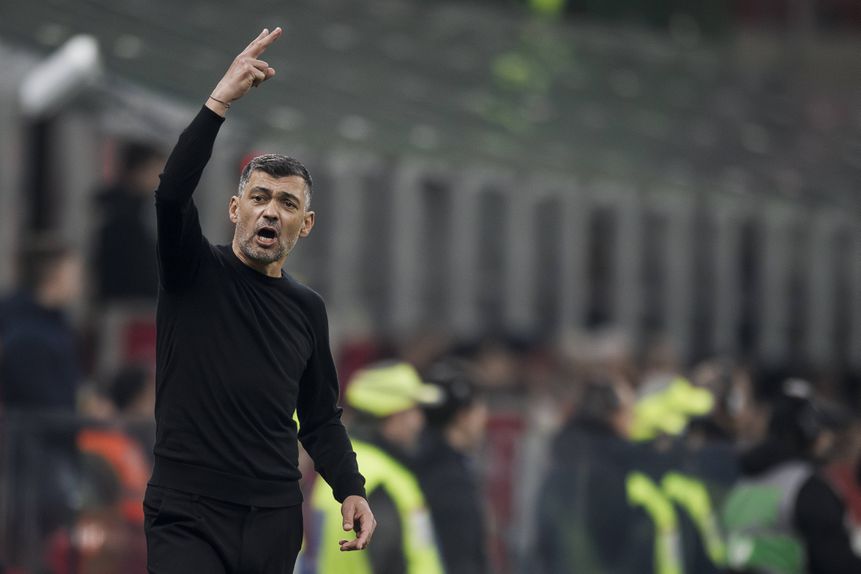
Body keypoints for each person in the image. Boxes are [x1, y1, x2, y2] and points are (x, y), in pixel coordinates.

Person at [144, 27, 375, 574]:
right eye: (259, 197)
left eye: (287, 203)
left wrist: (351, 488)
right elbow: (172, 192)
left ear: (306, 224)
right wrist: (218, 103)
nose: (270, 211)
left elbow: (320, 417)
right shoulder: (191, 270)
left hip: (273, 517)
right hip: (187, 510)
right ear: (234, 209)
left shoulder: (307, 309)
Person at [306, 361, 446, 574]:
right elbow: (387, 560)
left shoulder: (343, 473)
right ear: (390, 414)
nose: (419, 422)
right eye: (413, 410)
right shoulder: (379, 479)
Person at [722, 380, 861, 574]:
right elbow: (836, 564)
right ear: (810, 434)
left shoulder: (743, 484)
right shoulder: (807, 488)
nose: (827, 438)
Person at [414, 359, 491, 574]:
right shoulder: (451, 481)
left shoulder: (416, 463)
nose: (485, 418)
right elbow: (461, 558)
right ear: (463, 417)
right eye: (480, 409)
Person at [92, 140, 165, 304]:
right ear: (139, 170)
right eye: (156, 172)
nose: (160, 179)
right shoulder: (121, 212)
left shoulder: (134, 208)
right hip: (125, 301)